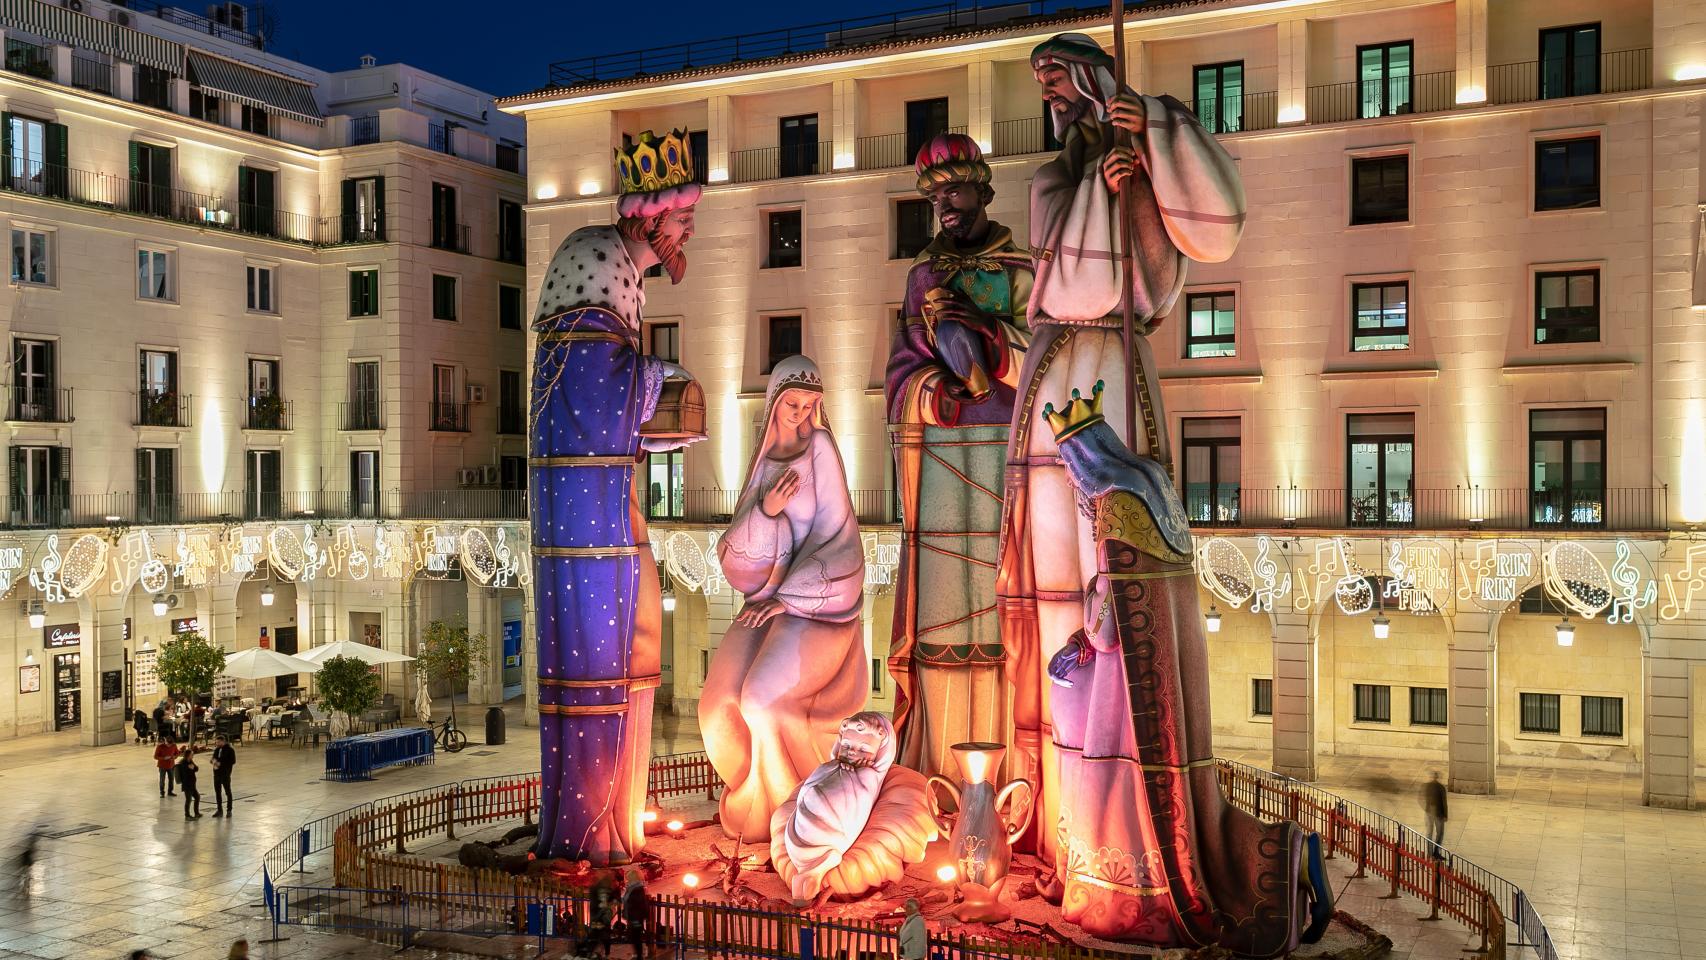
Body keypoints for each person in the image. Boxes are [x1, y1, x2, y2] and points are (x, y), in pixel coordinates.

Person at [996, 31, 1245, 874]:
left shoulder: (1131, 150)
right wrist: (1103, 190)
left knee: (1117, 573)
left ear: (1099, 86)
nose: (1054, 101)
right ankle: (1061, 808)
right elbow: (1073, 278)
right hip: (1059, 372)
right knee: (1055, 587)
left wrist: (1156, 134)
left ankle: (1126, 810)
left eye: (1064, 86)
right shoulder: (1047, 181)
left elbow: (1196, 247)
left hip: (1121, 374)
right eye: (1047, 91)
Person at [1039, 388, 1331, 952]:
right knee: (1194, 809)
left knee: (1124, 803)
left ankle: (1136, 896)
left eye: (1071, 471)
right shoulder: (1152, 488)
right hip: (1164, 683)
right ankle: (1285, 851)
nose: (1075, 487)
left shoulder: (1116, 506)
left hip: (1124, 710)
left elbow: (1106, 629)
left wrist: (1083, 627)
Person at [529, 127, 703, 865]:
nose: (687, 231)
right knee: (602, 655)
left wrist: (657, 412)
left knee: (633, 642)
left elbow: (605, 418)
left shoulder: (616, 276)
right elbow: (594, 396)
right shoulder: (594, 264)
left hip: (599, 497)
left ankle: (615, 819)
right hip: (584, 515)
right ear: (650, 216)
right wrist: (662, 379)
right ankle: (593, 830)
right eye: (683, 218)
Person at [885, 133, 1033, 783]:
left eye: (956, 190)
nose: (946, 203)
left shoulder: (1023, 271)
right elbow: (900, 366)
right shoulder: (923, 276)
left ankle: (1012, 762)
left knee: (1010, 608)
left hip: (1012, 448)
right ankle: (939, 761)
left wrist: (980, 331)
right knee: (947, 614)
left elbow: (1048, 355)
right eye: (935, 195)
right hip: (945, 451)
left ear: (983, 190)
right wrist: (935, 393)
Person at [700, 356, 867, 843]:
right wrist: (766, 511)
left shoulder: (819, 448)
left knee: (763, 699)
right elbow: (736, 554)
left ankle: (800, 817)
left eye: (810, 404)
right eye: (792, 403)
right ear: (775, 403)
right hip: (766, 599)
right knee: (719, 704)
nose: (801, 412)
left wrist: (791, 598)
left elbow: (838, 534)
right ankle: (750, 799)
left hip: (818, 605)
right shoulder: (763, 462)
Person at [620, 870, 650, 958]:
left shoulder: (637, 889)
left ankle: (639, 955)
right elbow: (626, 899)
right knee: (633, 936)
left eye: (628, 878)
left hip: (636, 917)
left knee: (635, 937)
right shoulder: (631, 888)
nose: (626, 880)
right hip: (632, 916)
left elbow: (639, 903)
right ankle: (638, 954)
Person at [1422, 771, 1448, 858]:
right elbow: (1444, 802)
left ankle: (1430, 854)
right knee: (1440, 833)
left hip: (1429, 811)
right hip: (1438, 813)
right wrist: (1445, 814)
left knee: (1429, 833)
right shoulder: (1441, 787)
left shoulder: (1427, 786)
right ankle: (1436, 852)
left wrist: (1426, 808)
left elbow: (1421, 798)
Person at [210, 735, 237, 818]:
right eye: (216, 742)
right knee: (217, 792)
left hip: (225, 774)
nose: (217, 744)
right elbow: (213, 758)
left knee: (228, 792)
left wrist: (221, 764)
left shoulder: (230, 750)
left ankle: (229, 810)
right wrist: (214, 761)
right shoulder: (217, 749)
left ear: (223, 741)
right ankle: (219, 810)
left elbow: (233, 761)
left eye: (218, 742)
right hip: (217, 774)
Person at [177, 750, 201, 820]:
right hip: (187, 785)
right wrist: (191, 769)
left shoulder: (190, 761)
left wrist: (192, 768)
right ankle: (187, 816)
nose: (193, 755)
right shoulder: (183, 762)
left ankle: (197, 813)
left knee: (197, 797)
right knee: (188, 800)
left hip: (192, 784)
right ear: (188, 755)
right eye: (192, 754)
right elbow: (185, 773)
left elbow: (196, 768)